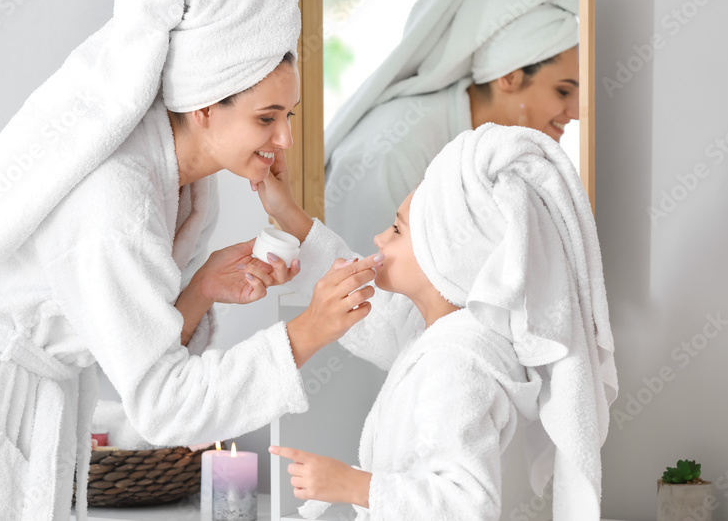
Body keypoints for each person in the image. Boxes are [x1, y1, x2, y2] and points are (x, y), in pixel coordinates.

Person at [0, 0, 376, 521]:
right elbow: (162, 404)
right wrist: (310, 331)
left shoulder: (183, 184)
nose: (285, 140)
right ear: (203, 106)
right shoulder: (119, 197)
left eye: (289, 115)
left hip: (7, 405)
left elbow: (132, 345)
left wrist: (199, 291)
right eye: (266, 118)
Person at [258, 123, 618, 519]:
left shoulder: (458, 365)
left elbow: (465, 503)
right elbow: (371, 320)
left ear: (443, 256)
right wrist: (286, 213)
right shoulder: (437, 333)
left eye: (397, 229)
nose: (379, 238)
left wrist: (351, 484)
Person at [325, 0, 581, 255]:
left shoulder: (509, 154)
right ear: (509, 77)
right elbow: (362, 280)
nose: (577, 112)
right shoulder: (393, 149)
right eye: (563, 91)